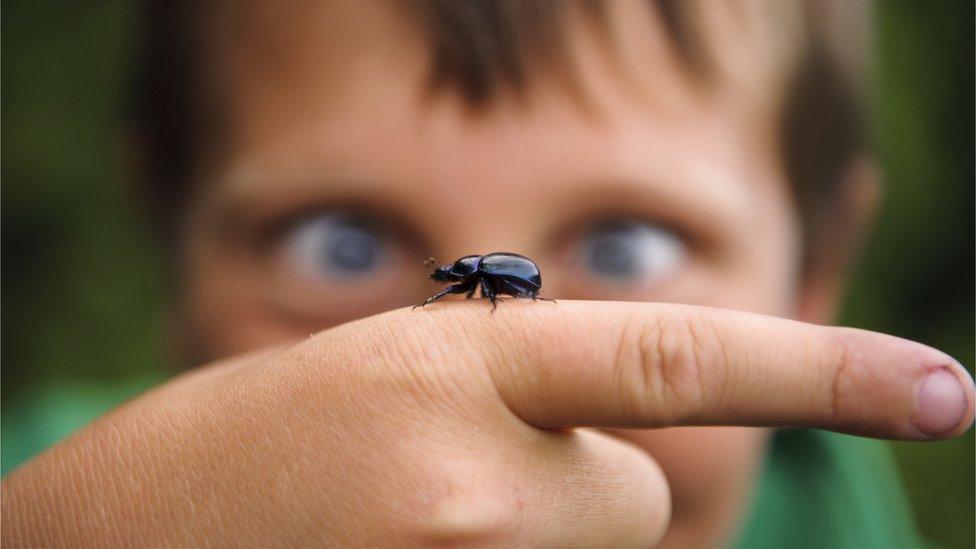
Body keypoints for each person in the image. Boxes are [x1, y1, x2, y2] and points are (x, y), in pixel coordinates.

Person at [2, 1, 973, 547]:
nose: (465, 396)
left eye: (627, 247)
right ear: (167, 238)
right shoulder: (46, 488)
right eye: (339, 243)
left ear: (817, 268)